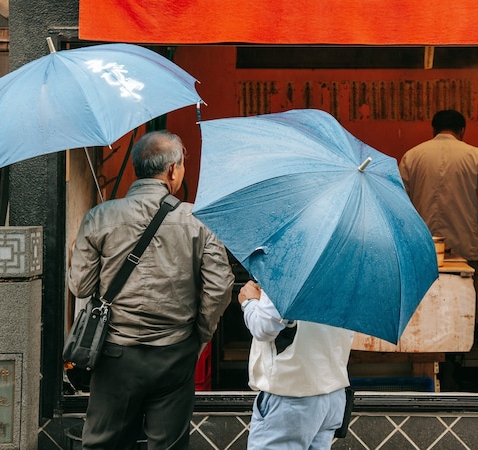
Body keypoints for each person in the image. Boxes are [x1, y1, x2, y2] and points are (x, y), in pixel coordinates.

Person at [69, 130, 235, 449]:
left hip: (114, 353)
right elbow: (220, 286)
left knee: (104, 445)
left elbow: (81, 285)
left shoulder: (99, 217)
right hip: (175, 352)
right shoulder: (198, 220)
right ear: (173, 170)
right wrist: (199, 335)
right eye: (182, 165)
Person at [398, 109, 478, 322]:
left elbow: (399, 196)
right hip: (464, 246)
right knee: (464, 312)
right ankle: (462, 343)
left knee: (426, 312)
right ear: (462, 130)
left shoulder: (412, 156)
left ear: (434, 129)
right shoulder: (475, 155)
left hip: (424, 248)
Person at [238, 280, 354, 449]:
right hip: (332, 394)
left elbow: (264, 327)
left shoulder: (290, 270)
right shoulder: (348, 275)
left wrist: (249, 302)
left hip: (291, 395)